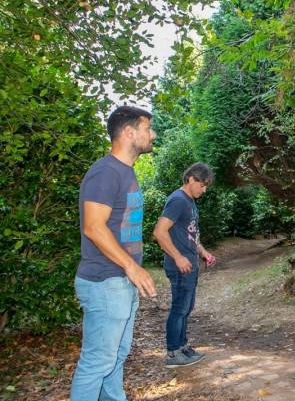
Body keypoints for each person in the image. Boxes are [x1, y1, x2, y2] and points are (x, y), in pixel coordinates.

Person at [70, 106, 157, 401]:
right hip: (105, 281)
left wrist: (130, 272)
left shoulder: (125, 172)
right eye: (148, 128)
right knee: (97, 363)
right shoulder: (105, 172)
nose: (152, 134)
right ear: (129, 132)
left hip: (120, 282)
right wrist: (131, 267)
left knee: (116, 358)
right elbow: (93, 228)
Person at [153, 162, 217, 368]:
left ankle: (182, 346)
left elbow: (191, 235)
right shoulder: (178, 200)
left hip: (190, 264)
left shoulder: (189, 201)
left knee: (186, 308)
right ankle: (172, 353)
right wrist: (178, 257)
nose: (204, 190)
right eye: (202, 185)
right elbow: (159, 232)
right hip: (179, 266)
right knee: (179, 309)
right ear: (191, 179)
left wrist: (203, 252)